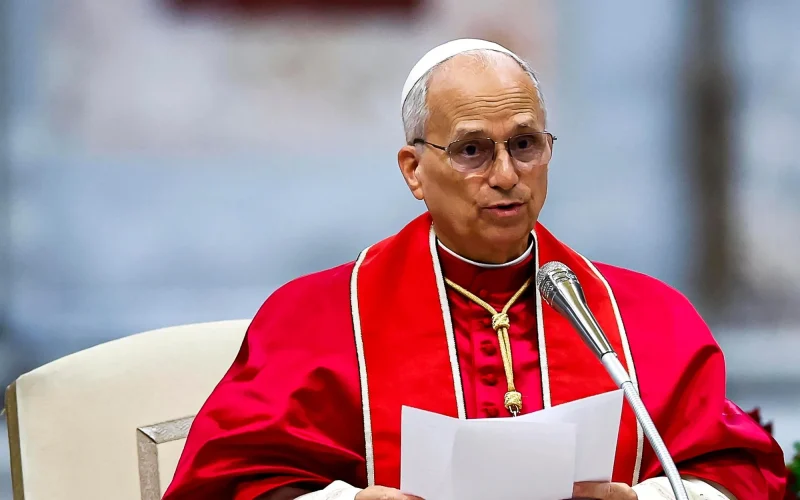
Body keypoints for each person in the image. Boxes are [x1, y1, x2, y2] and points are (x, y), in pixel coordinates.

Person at [162, 39, 787, 500]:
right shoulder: (316, 319)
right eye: (471, 150)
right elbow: (225, 484)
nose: (506, 175)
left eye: (525, 144)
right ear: (413, 170)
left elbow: (741, 473)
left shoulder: (647, 317)